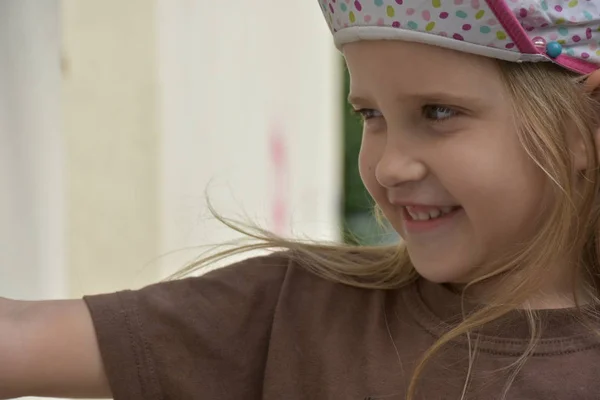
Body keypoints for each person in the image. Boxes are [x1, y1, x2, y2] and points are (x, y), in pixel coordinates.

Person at [3, 1, 600, 399]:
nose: (390, 165)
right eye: (371, 115)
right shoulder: (293, 310)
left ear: (584, 131)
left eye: (438, 112)